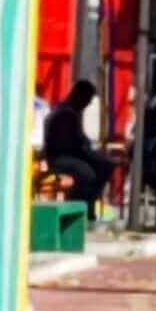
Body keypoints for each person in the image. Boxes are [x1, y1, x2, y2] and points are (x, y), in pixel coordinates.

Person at [42, 79, 117, 212]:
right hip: (59, 158)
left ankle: (89, 204)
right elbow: (70, 145)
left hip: (69, 155)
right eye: (87, 100)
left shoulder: (70, 113)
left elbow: (80, 141)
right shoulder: (65, 114)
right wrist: (91, 155)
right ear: (80, 96)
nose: (87, 104)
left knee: (103, 166)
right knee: (87, 172)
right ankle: (82, 206)